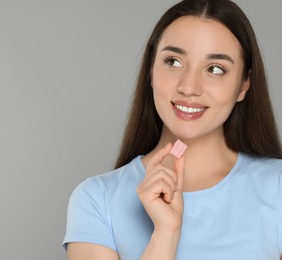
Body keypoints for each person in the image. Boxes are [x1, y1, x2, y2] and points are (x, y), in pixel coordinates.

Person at [62, 0, 282, 259]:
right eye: (174, 62)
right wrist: (165, 235)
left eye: (215, 69)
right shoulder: (96, 200)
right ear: (151, 71)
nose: (189, 87)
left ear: (244, 85)